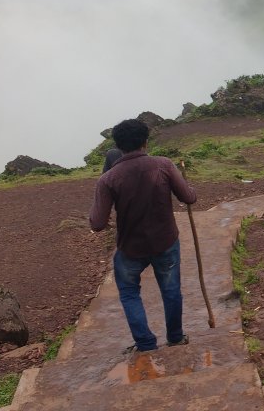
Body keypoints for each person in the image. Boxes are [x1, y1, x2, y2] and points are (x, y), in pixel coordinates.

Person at [89, 119, 197, 353]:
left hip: (130, 247)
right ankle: (176, 338)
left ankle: (146, 344)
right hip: (165, 241)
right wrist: (192, 190)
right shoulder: (164, 165)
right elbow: (188, 198)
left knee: (129, 293)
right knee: (171, 289)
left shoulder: (107, 179)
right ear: (145, 142)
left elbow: (97, 223)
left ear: (118, 146)